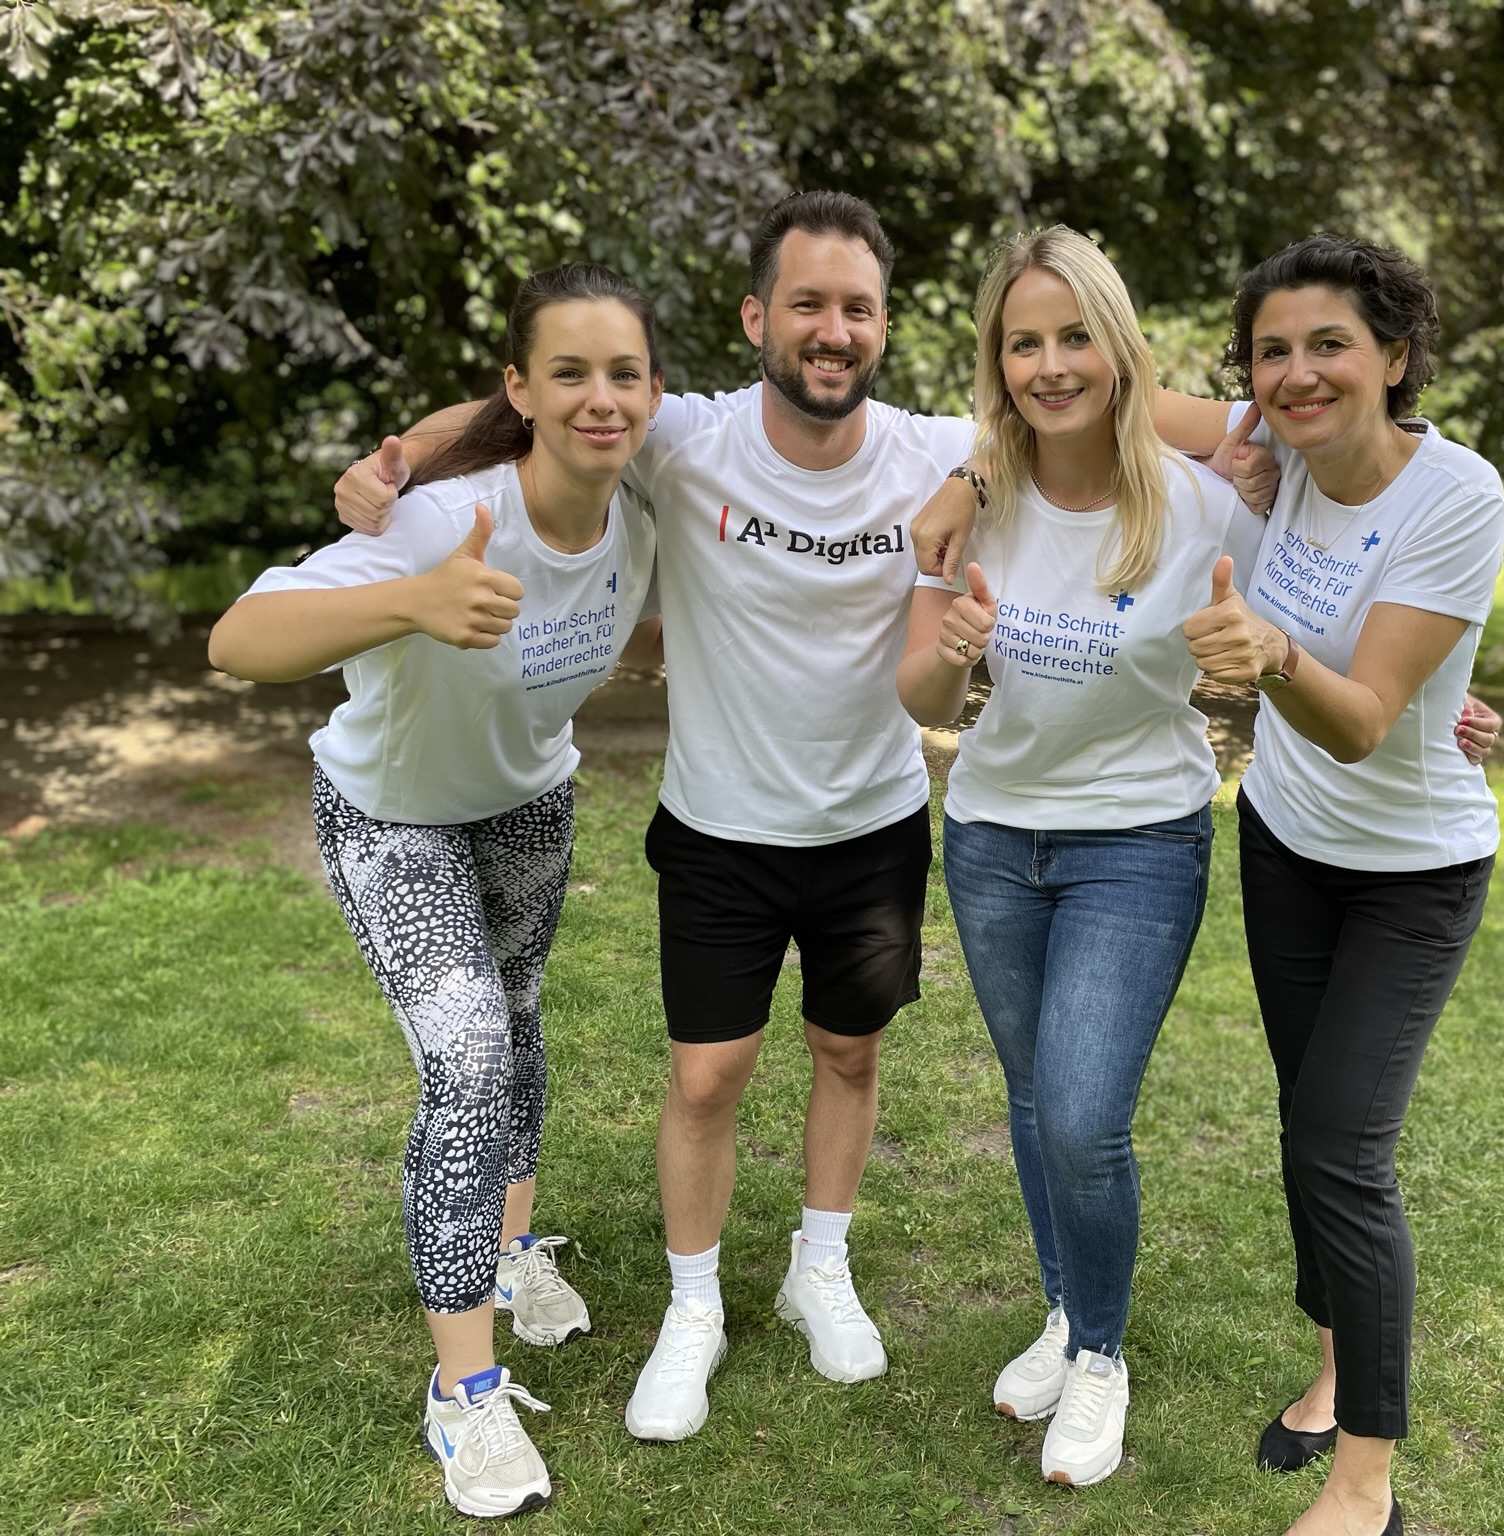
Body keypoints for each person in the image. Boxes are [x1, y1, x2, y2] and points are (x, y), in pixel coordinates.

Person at [328, 192, 1271, 1444]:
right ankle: (693, 1307)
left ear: (883, 324)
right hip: (716, 826)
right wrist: (396, 457)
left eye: (857, 308)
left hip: (871, 823)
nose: (833, 330)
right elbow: (532, 404)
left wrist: (1019, 461)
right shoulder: (682, 436)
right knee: (705, 1077)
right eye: (808, 305)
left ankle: (818, 1267)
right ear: (754, 317)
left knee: (849, 1055)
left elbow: (1138, 407)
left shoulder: (938, 448)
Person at [209, 263, 665, 1519]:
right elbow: (237, 640)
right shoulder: (439, 520)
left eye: (621, 373)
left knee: (515, 1019)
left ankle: (511, 1250)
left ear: (653, 393)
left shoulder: (644, 501)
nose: (599, 398)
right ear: (516, 388)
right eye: (565, 373)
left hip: (528, 802)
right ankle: (463, 1391)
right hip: (392, 815)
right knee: (465, 1060)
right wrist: (408, 598)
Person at [895, 227, 1263, 1486]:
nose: (1049, 365)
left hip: (1138, 841)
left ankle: (1099, 1356)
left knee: (1085, 1112)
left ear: (1117, 349)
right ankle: (1063, 1313)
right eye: (1023, 343)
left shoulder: (1201, 502)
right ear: (995, 361)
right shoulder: (973, 499)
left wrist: (1433, 700)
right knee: (1032, 1097)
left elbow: (1302, 606)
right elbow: (915, 692)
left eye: (1073, 337)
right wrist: (954, 646)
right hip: (994, 835)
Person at [1180, 234, 1504, 1536]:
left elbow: (1365, 719)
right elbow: (1102, 392)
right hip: (1284, 840)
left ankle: (1365, 1485)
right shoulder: (1280, 447)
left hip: (1410, 875)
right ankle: (1330, 1367)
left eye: (1330, 344)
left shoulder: (1454, 494)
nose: (1299, 373)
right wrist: (973, 466)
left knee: (1340, 1150)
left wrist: (1268, 655)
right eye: (1272, 352)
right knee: (1302, 1118)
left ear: (1395, 355)